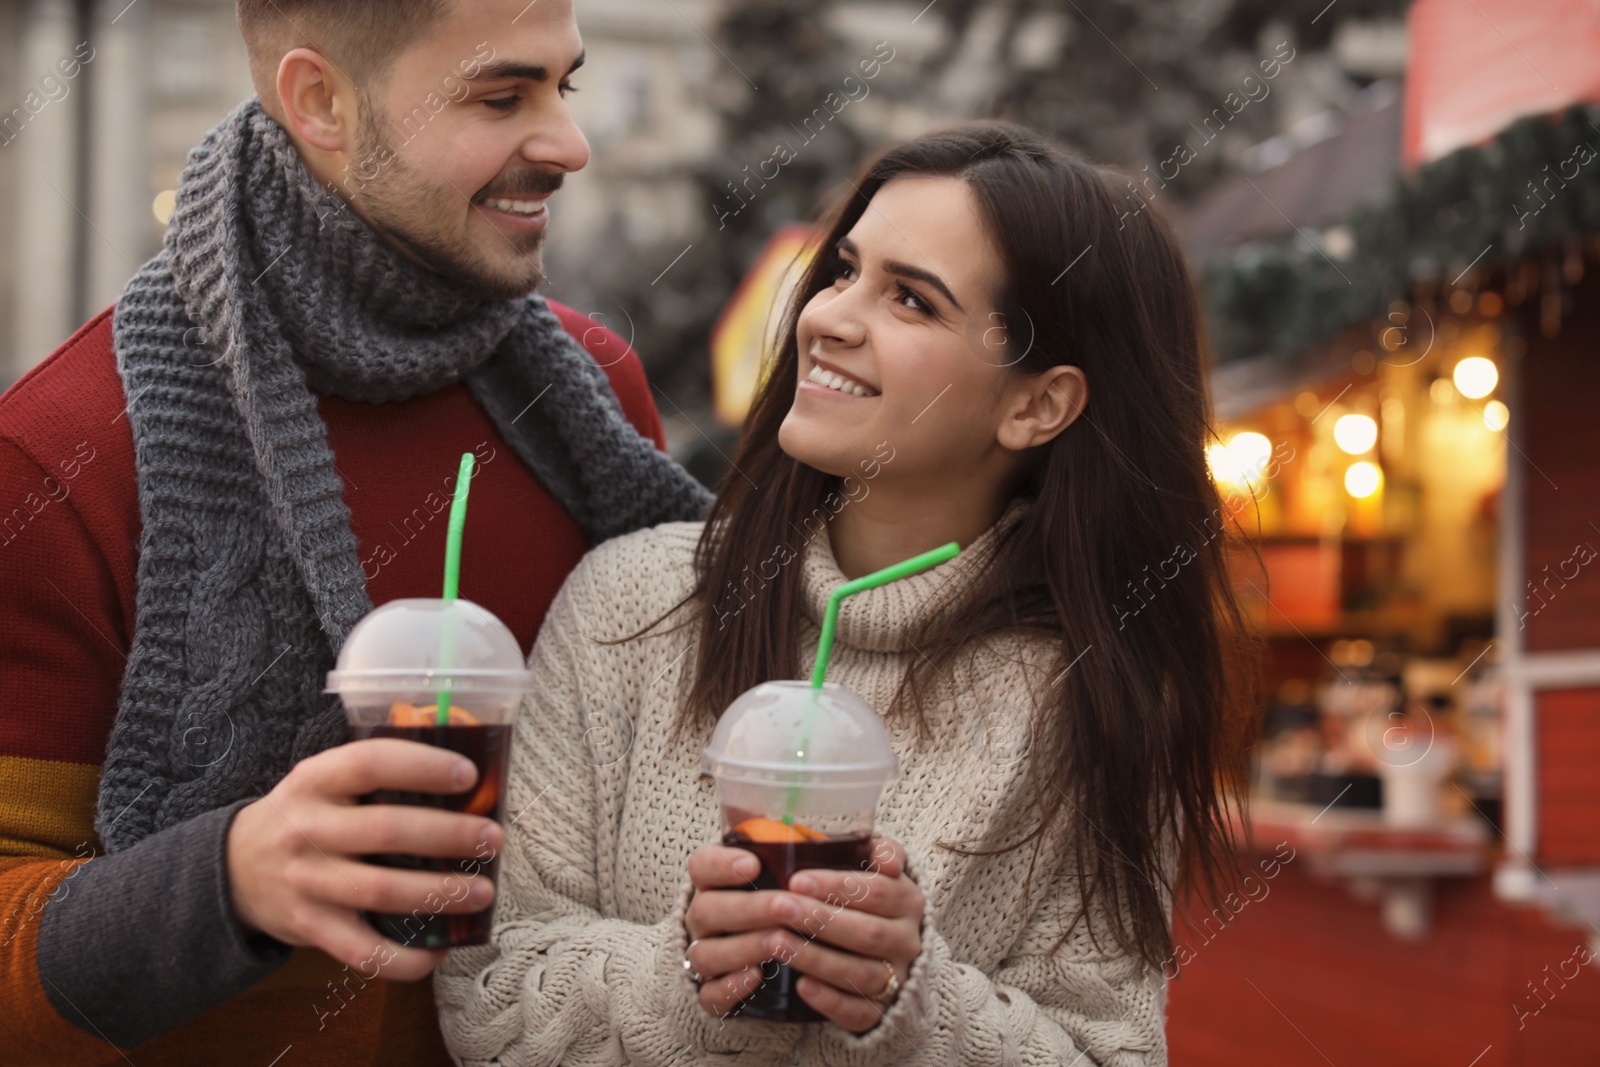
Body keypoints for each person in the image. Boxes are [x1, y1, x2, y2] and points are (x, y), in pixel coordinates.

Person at [435, 122, 1259, 1064]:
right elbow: (489, 999)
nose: (827, 316)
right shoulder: (632, 603)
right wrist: (686, 974)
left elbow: (1107, 1052)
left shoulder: (1088, 698)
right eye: (845, 271)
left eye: (911, 299)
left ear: (1038, 404)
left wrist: (912, 1002)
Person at [0, 1, 711, 1063]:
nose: (570, 143)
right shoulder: (57, 454)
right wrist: (232, 875)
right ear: (320, 101)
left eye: (563, 86)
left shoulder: (595, 399)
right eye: (499, 96)